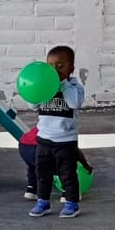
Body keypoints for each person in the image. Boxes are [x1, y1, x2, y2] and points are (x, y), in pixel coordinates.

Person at [31, 45, 91, 219]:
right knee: (42, 174)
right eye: (50, 66)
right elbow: (32, 104)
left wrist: (63, 85)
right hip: (44, 139)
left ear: (71, 68)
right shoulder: (45, 87)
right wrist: (37, 87)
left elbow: (74, 103)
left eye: (60, 66)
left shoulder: (75, 87)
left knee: (67, 174)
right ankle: (43, 201)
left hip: (66, 141)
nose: (55, 70)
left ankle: (72, 203)